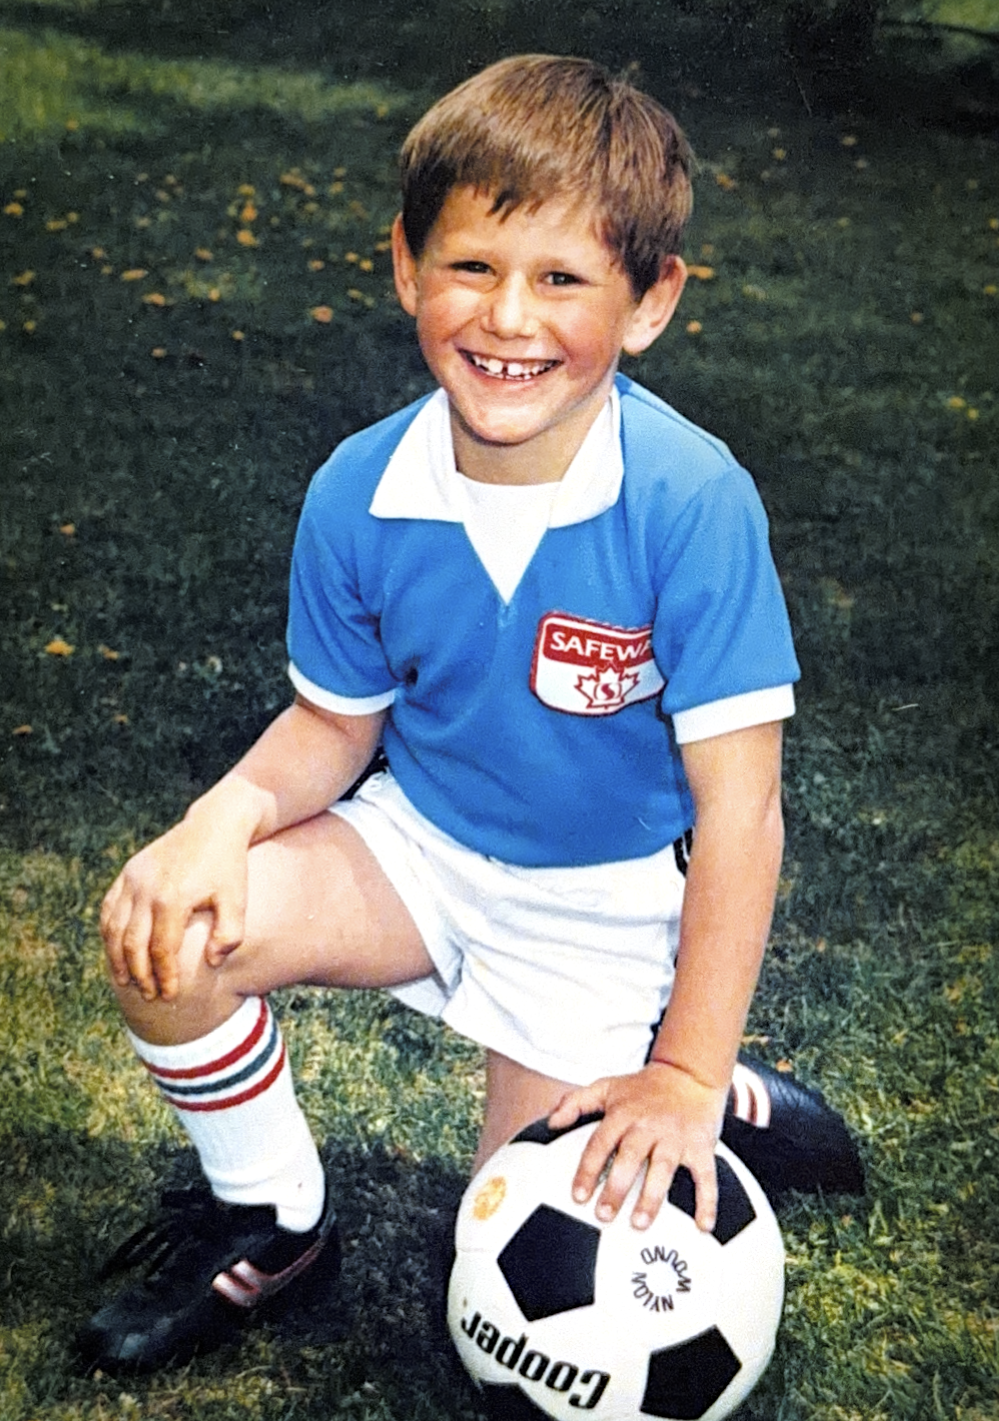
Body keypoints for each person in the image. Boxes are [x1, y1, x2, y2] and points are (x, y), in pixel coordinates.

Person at [78, 54, 860, 1377]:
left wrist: (681, 1073)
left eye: (562, 279)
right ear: (405, 267)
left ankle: (710, 1084)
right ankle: (272, 1220)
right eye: (472, 266)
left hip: (597, 903)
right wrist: (219, 821)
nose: (508, 317)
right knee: (170, 930)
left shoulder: (689, 501)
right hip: (421, 847)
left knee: (519, 1247)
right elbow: (333, 729)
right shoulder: (358, 491)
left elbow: (742, 813)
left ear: (651, 301)